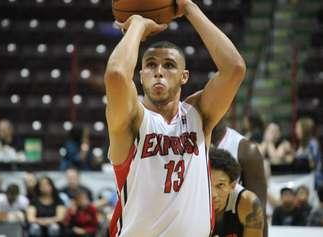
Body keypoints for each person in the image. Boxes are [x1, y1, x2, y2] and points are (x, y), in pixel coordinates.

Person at [104, 0, 246, 235]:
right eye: (151, 65)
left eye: (169, 65)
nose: (159, 71)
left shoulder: (198, 113)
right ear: (141, 76)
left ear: (184, 76)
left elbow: (235, 69)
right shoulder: (132, 119)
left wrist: (189, 8)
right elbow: (117, 74)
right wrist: (137, 25)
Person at [212, 120, 267, 237]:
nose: (213, 193)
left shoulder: (246, 150)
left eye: (220, 185)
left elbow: (261, 215)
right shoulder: (179, 143)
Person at [210, 148, 264, 237]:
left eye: (220, 185)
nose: (213, 194)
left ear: (232, 186)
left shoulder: (248, 203)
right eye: (209, 184)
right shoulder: (192, 199)